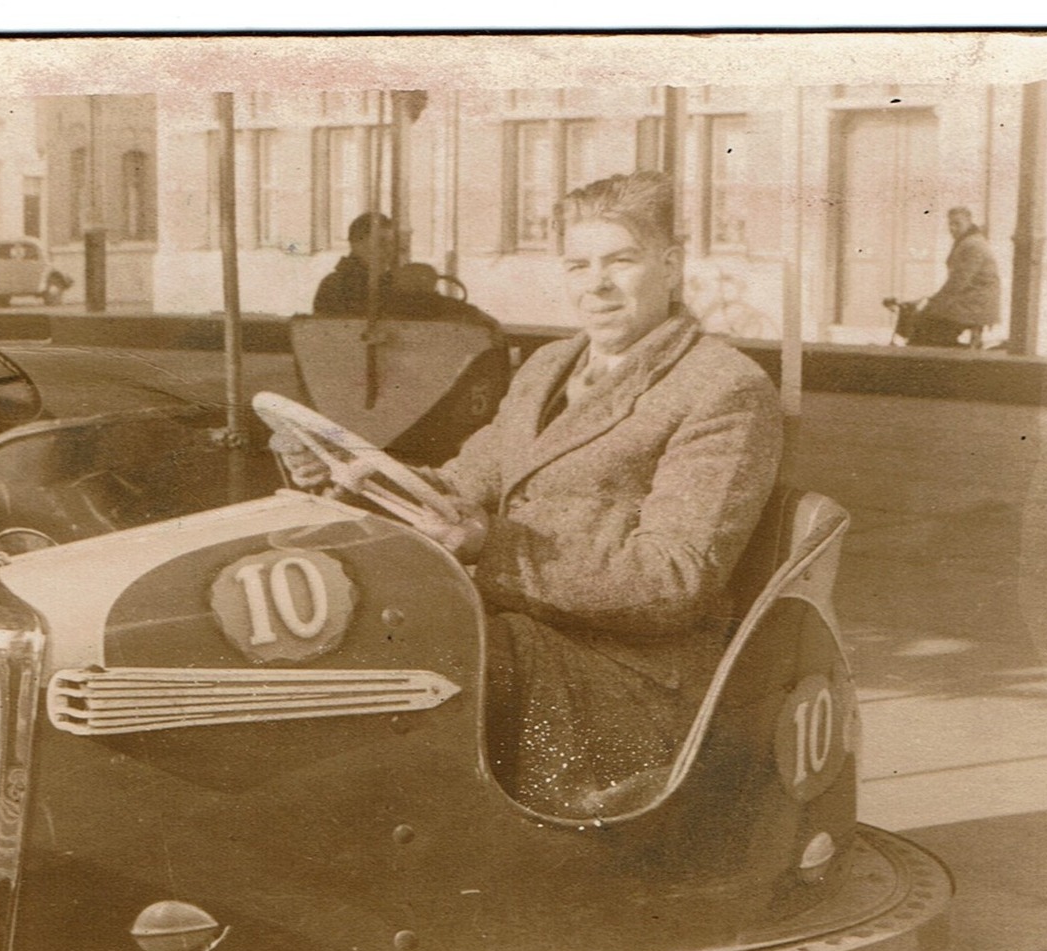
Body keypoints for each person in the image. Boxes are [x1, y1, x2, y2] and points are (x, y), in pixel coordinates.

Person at [274, 172, 782, 819]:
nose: (596, 284)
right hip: (522, 641)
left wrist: (495, 545)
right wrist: (349, 474)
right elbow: (460, 485)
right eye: (578, 264)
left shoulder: (721, 387)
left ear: (670, 266)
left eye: (620, 261)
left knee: (399, 670)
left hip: (627, 679)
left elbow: (673, 580)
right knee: (347, 636)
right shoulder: (547, 366)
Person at [905, 206, 1001, 347]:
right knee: (927, 319)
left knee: (925, 321)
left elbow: (959, 281)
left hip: (975, 304)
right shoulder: (967, 241)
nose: (952, 228)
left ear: (969, 222)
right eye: (950, 223)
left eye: (957, 223)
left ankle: (936, 358)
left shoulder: (973, 245)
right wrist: (934, 300)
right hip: (969, 300)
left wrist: (934, 302)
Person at [312, 211, 395, 315]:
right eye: (381, 242)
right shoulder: (336, 286)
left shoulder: (393, 283)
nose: (389, 250)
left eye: (392, 243)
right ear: (356, 243)